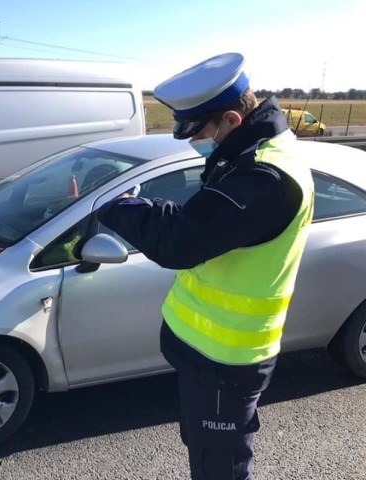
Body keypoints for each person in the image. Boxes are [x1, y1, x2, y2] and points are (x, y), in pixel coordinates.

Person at [97, 52, 314, 479]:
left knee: (220, 467)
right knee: (209, 454)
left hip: (225, 362)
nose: (194, 142)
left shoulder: (263, 178)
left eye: (197, 132)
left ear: (232, 119)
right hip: (211, 357)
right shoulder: (254, 152)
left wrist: (121, 206)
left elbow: (179, 239)